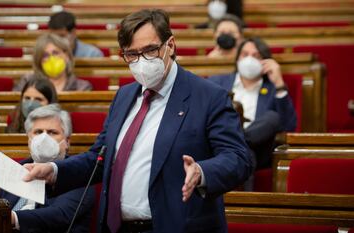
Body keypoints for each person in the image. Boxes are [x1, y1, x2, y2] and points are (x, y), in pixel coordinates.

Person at [23, 9, 253, 233]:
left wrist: (202, 171)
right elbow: (99, 158)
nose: (141, 61)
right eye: (132, 54)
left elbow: (238, 158)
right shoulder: (124, 96)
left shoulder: (208, 96)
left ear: (170, 46)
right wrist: (54, 171)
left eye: (150, 50)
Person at [1, 104, 95, 233]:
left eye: (52, 132)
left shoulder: (80, 172)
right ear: (29, 140)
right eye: (38, 132)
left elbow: (60, 215)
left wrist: (11, 218)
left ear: (67, 141)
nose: (44, 138)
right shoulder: (15, 169)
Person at [208, 37, 297, 170]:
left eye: (256, 56)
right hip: (220, 144)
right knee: (246, 154)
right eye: (245, 54)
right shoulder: (217, 83)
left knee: (272, 117)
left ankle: (237, 141)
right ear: (238, 58)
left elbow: (289, 126)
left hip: (258, 148)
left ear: (265, 62)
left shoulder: (273, 89)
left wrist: (279, 83)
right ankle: (239, 143)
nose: (249, 59)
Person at [13, 33, 92, 92]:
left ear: (66, 55)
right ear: (39, 60)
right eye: (45, 55)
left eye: (55, 53)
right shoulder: (27, 82)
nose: (51, 58)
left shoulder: (82, 87)